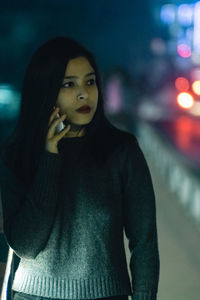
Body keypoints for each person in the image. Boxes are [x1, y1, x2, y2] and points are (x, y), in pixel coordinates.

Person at [0, 36, 160, 300]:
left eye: (90, 81)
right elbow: (26, 245)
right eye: (68, 84)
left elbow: (144, 243)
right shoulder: (17, 155)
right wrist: (50, 157)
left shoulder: (122, 151)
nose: (84, 93)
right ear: (45, 90)